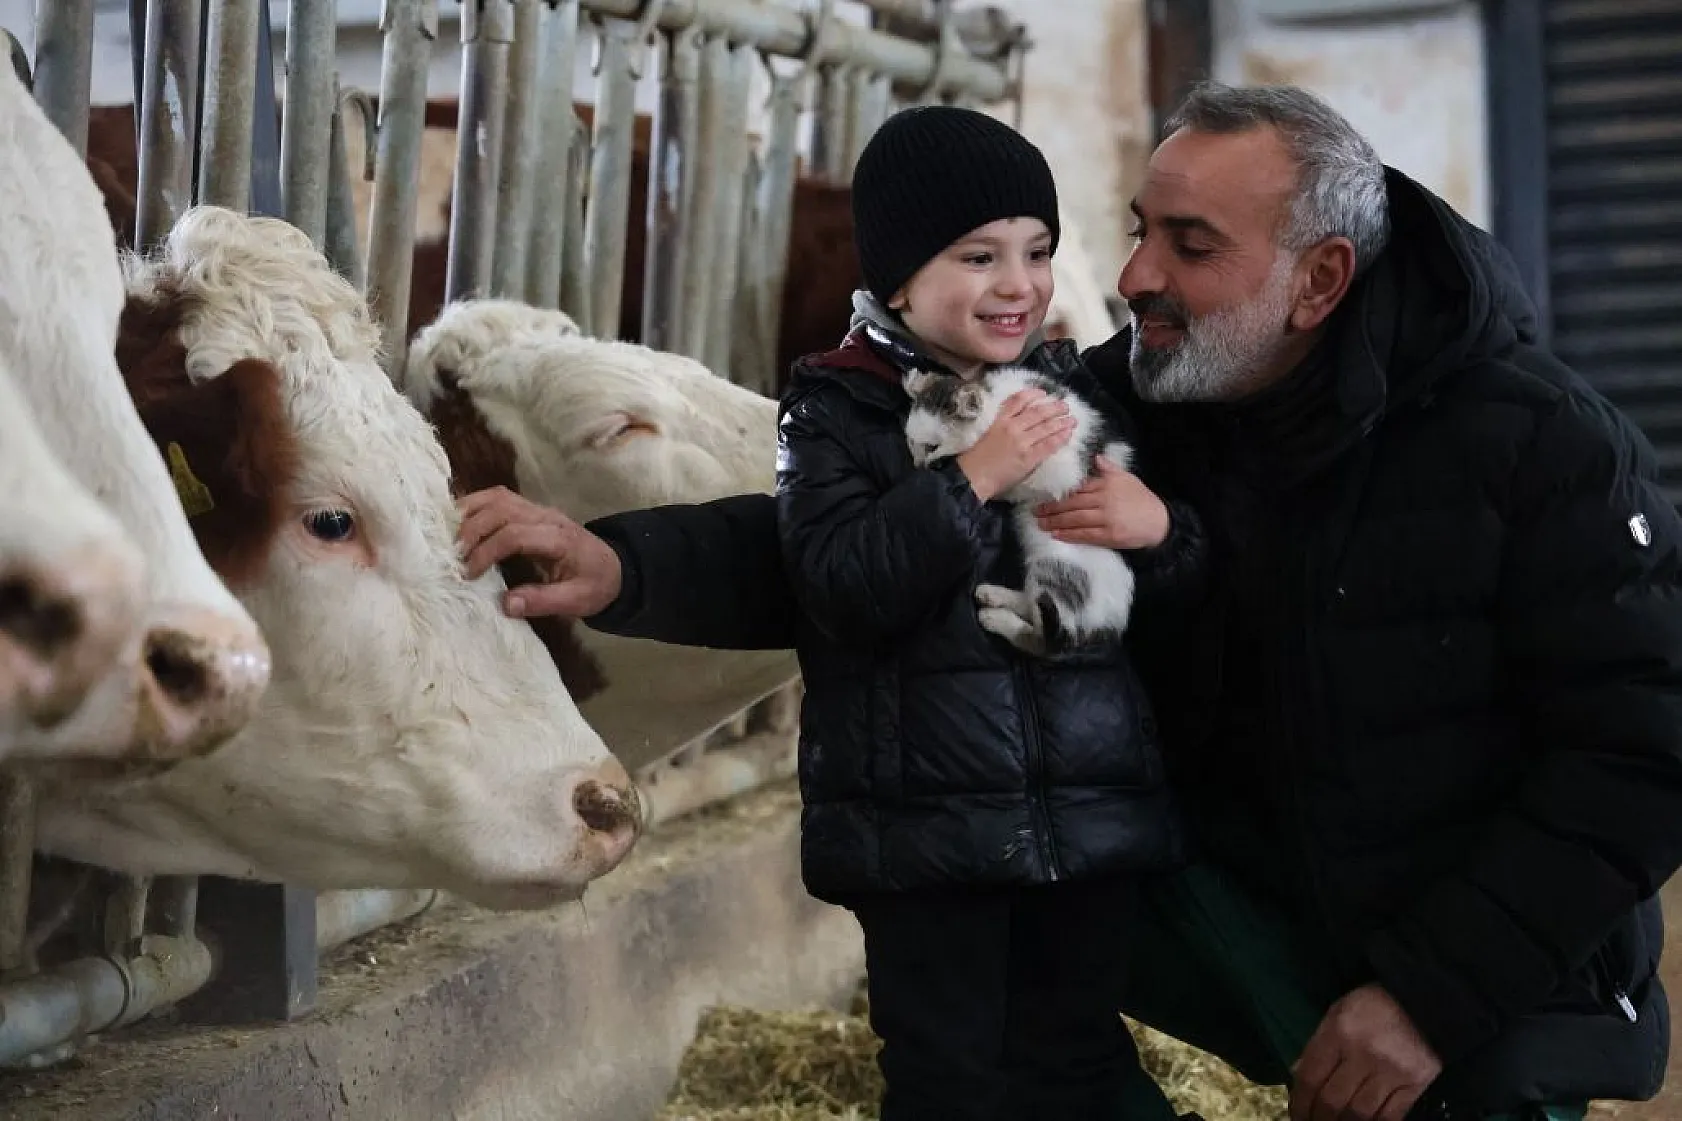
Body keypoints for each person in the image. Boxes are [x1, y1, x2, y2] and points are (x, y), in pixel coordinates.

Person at [458, 82, 1682, 1121]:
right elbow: (877, 533)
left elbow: (1642, 750)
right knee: (1001, 1005)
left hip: (1470, 955)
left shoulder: (1539, 448)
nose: (1133, 276)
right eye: (1138, 229)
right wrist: (628, 565)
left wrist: (1431, 993)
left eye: (1189, 246)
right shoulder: (1149, 384)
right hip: (1237, 885)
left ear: (1317, 281)